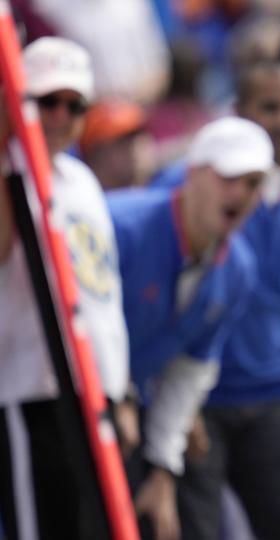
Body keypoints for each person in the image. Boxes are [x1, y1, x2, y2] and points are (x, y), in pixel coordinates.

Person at [169, 61, 280, 540]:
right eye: (269, 107)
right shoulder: (181, 187)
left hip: (270, 398)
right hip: (194, 399)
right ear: (238, 111)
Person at [107, 116, 271, 540]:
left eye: (253, 183)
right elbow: (75, 320)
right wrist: (116, 391)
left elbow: (190, 371)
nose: (241, 193)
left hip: (120, 415)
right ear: (192, 175)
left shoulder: (238, 269)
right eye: (229, 178)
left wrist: (163, 468)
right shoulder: (120, 225)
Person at [0, 37, 129, 540]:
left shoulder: (81, 178)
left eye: (74, 105)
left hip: (97, 393)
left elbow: (105, 294)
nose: (59, 115)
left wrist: (122, 390)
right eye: (45, 102)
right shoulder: (10, 174)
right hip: (30, 389)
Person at [79, 98, 157, 190]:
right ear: (98, 152)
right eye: (123, 140)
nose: (136, 146)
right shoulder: (79, 199)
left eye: (139, 135)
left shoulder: (164, 187)